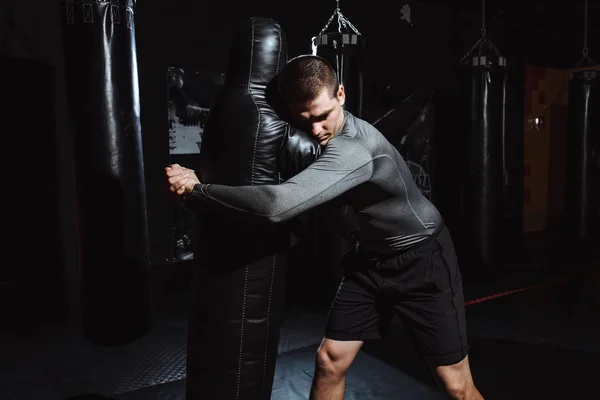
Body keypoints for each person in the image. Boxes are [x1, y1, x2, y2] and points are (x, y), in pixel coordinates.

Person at [166, 54, 483, 400]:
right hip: (370, 262)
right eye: (304, 121)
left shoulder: (357, 150)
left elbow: (277, 206)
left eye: (322, 117)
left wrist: (199, 191)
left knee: (456, 387)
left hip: (421, 260)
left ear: (341, 95)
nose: (316, 130)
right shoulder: (318, 139)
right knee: (330, 361)